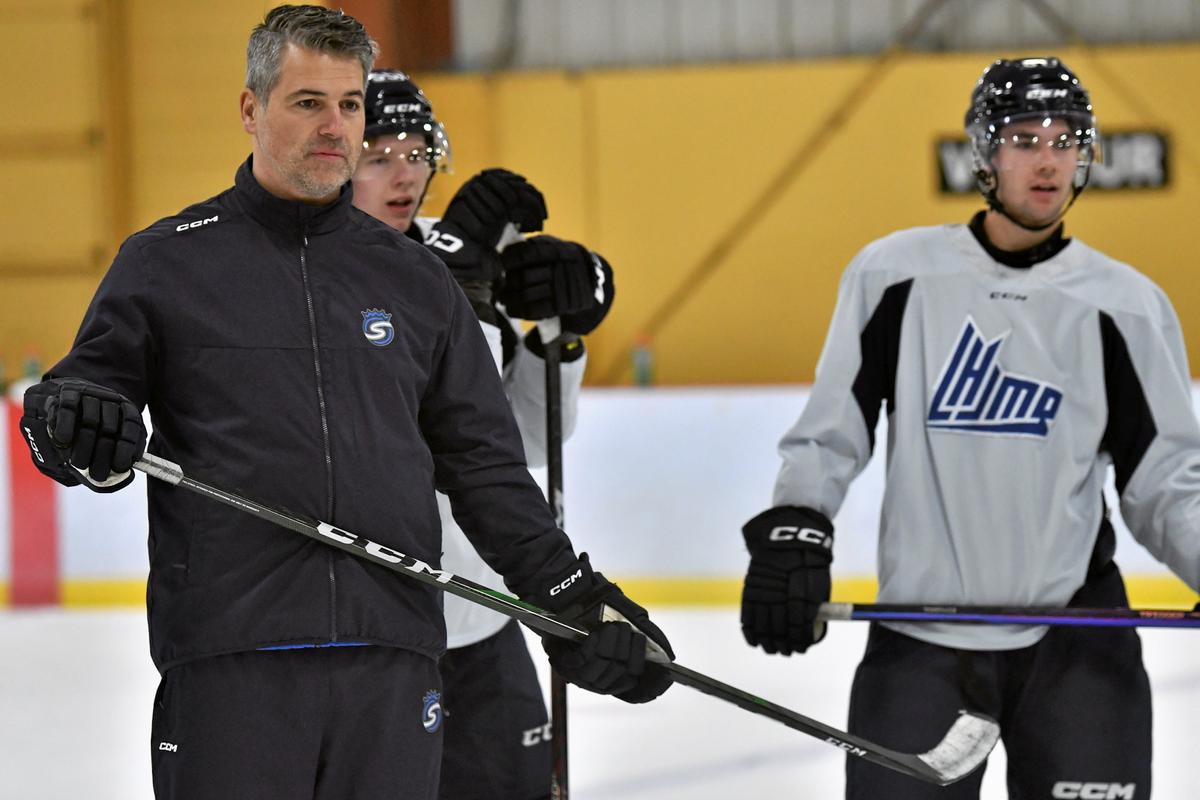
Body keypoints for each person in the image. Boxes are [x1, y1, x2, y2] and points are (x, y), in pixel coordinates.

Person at [16, 7, 670, 799]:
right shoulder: (167, 263)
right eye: (307, 103)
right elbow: (87, 394)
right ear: (252, 109)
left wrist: (572, 598)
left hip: (391, 661)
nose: (335, 128)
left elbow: (486, 468)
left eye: (349, 105)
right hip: (234, 664)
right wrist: (73, 421)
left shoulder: (417, 282)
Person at [739, 56, 1200, 798]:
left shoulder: (1126, 305)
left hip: (1074, 645)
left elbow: (1167, 483)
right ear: (984, 154)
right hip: (921, 642)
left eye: (1065, 139)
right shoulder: (894, 276)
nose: (1048, 161)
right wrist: (797, 526)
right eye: (1024, 139)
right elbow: (831, 435)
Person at [351, 70, 615, 800]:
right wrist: (452, 290)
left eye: (417, 151)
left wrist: (560, 335)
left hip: (485, 621)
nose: (405, 174)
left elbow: (523, 437)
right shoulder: (314, 268)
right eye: (379, 154)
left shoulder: (462, 255)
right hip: (372, 635)